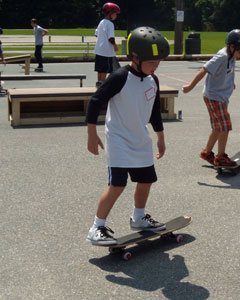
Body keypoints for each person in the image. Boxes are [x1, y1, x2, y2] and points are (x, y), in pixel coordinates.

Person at [85, 26, 170, 245]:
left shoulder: (153, 80)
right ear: (135, 57)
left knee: (147, 180)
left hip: (140, 138)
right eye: (151, 62)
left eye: (158, 62)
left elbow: (154, 110)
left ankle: (139, 217)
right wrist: (91, 134)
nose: (155, 67)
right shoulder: (120, 77)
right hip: (119, 139)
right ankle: (97, 227)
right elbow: (95, 101)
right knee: (118, 185)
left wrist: (160, 136)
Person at [182, 29, 240, 167]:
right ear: (232, 47)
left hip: (220, 96)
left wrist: (231, 83)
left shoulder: (231, 56)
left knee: (218, 128)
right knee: (225, 126)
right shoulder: (222, 56)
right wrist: (190, 86)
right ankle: (220, 157)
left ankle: (207, 153)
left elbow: (227, 71)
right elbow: (204, 70)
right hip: (215, 97)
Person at [94, 2, 120, 87]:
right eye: (115, 14)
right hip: (106, 51)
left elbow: (96, 33)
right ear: (110, 13)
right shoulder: (110, 24)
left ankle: (99, 82)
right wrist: (115, 46)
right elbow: (111, 38)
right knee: (105, 68)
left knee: (99, 68)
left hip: (99, 49)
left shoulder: (101, 22)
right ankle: (103, 83)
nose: (116, 16)